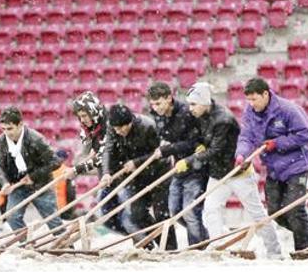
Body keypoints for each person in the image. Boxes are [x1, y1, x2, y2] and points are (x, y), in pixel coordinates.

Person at [180, 82, 281, 256]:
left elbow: (216, 150)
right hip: (218, 174)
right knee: (211, 210)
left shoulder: (223, 119)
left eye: (193, 104)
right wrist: (200, 145)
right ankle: (219, 247)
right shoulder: (201, 116)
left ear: (204, 102)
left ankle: (275, 251)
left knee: (256, 213)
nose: (190, 108)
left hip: (238, 173)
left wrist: (190, 160)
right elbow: (203, 141)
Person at [235, 77, 308, 251]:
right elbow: (246, 137)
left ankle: (304, 250)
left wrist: (277, 143)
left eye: (254, 99)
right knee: (275, 212)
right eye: (249, 100)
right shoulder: (250, 113)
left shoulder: (287, 109)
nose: (251, 104)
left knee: (294, 209)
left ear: (265, 94)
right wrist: (241, 154)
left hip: (296, 165)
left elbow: (306, 135)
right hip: (273, 168)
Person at [100, 104, 176, 250]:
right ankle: (157, 243)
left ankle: (170, 249)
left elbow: (158, 154)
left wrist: (136, 162)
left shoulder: (147, 126)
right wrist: (106, 173)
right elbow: (108, 151)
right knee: (138, 214)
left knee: (161, 214)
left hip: (159, 172)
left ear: (130, 122)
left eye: (122, 128)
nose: (119, 131)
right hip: (137, 177)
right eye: (116, 129)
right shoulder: (113, 128)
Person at [147, 81, 208, 246]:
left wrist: (167, 149)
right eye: (152, 104)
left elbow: (194, 142)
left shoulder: (186, 113)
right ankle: (204, 237)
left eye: (158, 103)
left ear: (169, 98)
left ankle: (197, 247)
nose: (155, 108)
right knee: (174, 210)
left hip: (195, 166)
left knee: (190, 211)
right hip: (178, 168)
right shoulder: (156, 115)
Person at [0, 106, 63, 233]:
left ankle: (68, 247)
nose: (7, 133)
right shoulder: (1, 141)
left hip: (41, 184)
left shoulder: (36, 139)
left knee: (53, 221)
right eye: (3, 129)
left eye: (10, 129)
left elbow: (56, 162)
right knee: (11, 217)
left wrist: (33, 177)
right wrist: (4, 182)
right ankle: (27, 244)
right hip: (18, 185)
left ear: (20, 124)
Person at [65, 91, 123, 232]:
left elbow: (103, 156)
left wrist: (78, 169)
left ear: (93, 111)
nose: (82, 120)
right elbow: (91, 151)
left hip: (120, 167)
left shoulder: (108, 124)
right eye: (80, 116)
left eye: (84, 115)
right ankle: (123, 234)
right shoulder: (89, 126)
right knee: (107, 210)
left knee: (126, 212)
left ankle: (137, 236)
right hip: (106, 170)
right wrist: (83, 161)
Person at [52, 149, 77, 220]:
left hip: (51, 205)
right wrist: (71, 207)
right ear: (65, 159)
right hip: (63, 206)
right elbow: (71, 192)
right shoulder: (67, 171)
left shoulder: (49, 169)